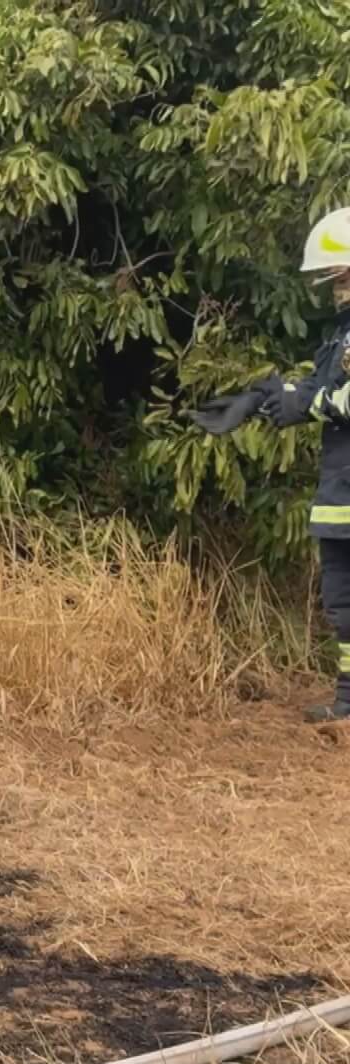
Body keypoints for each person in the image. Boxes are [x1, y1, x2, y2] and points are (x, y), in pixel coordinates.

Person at [193, 207, 350, 720]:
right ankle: (349, 700)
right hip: (341, 494)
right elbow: (321, 389)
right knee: (343, 603)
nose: (334, 287)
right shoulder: (341, 334)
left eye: (340, 275)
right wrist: (262, 397)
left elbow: (338, 400)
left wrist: (307, 404)